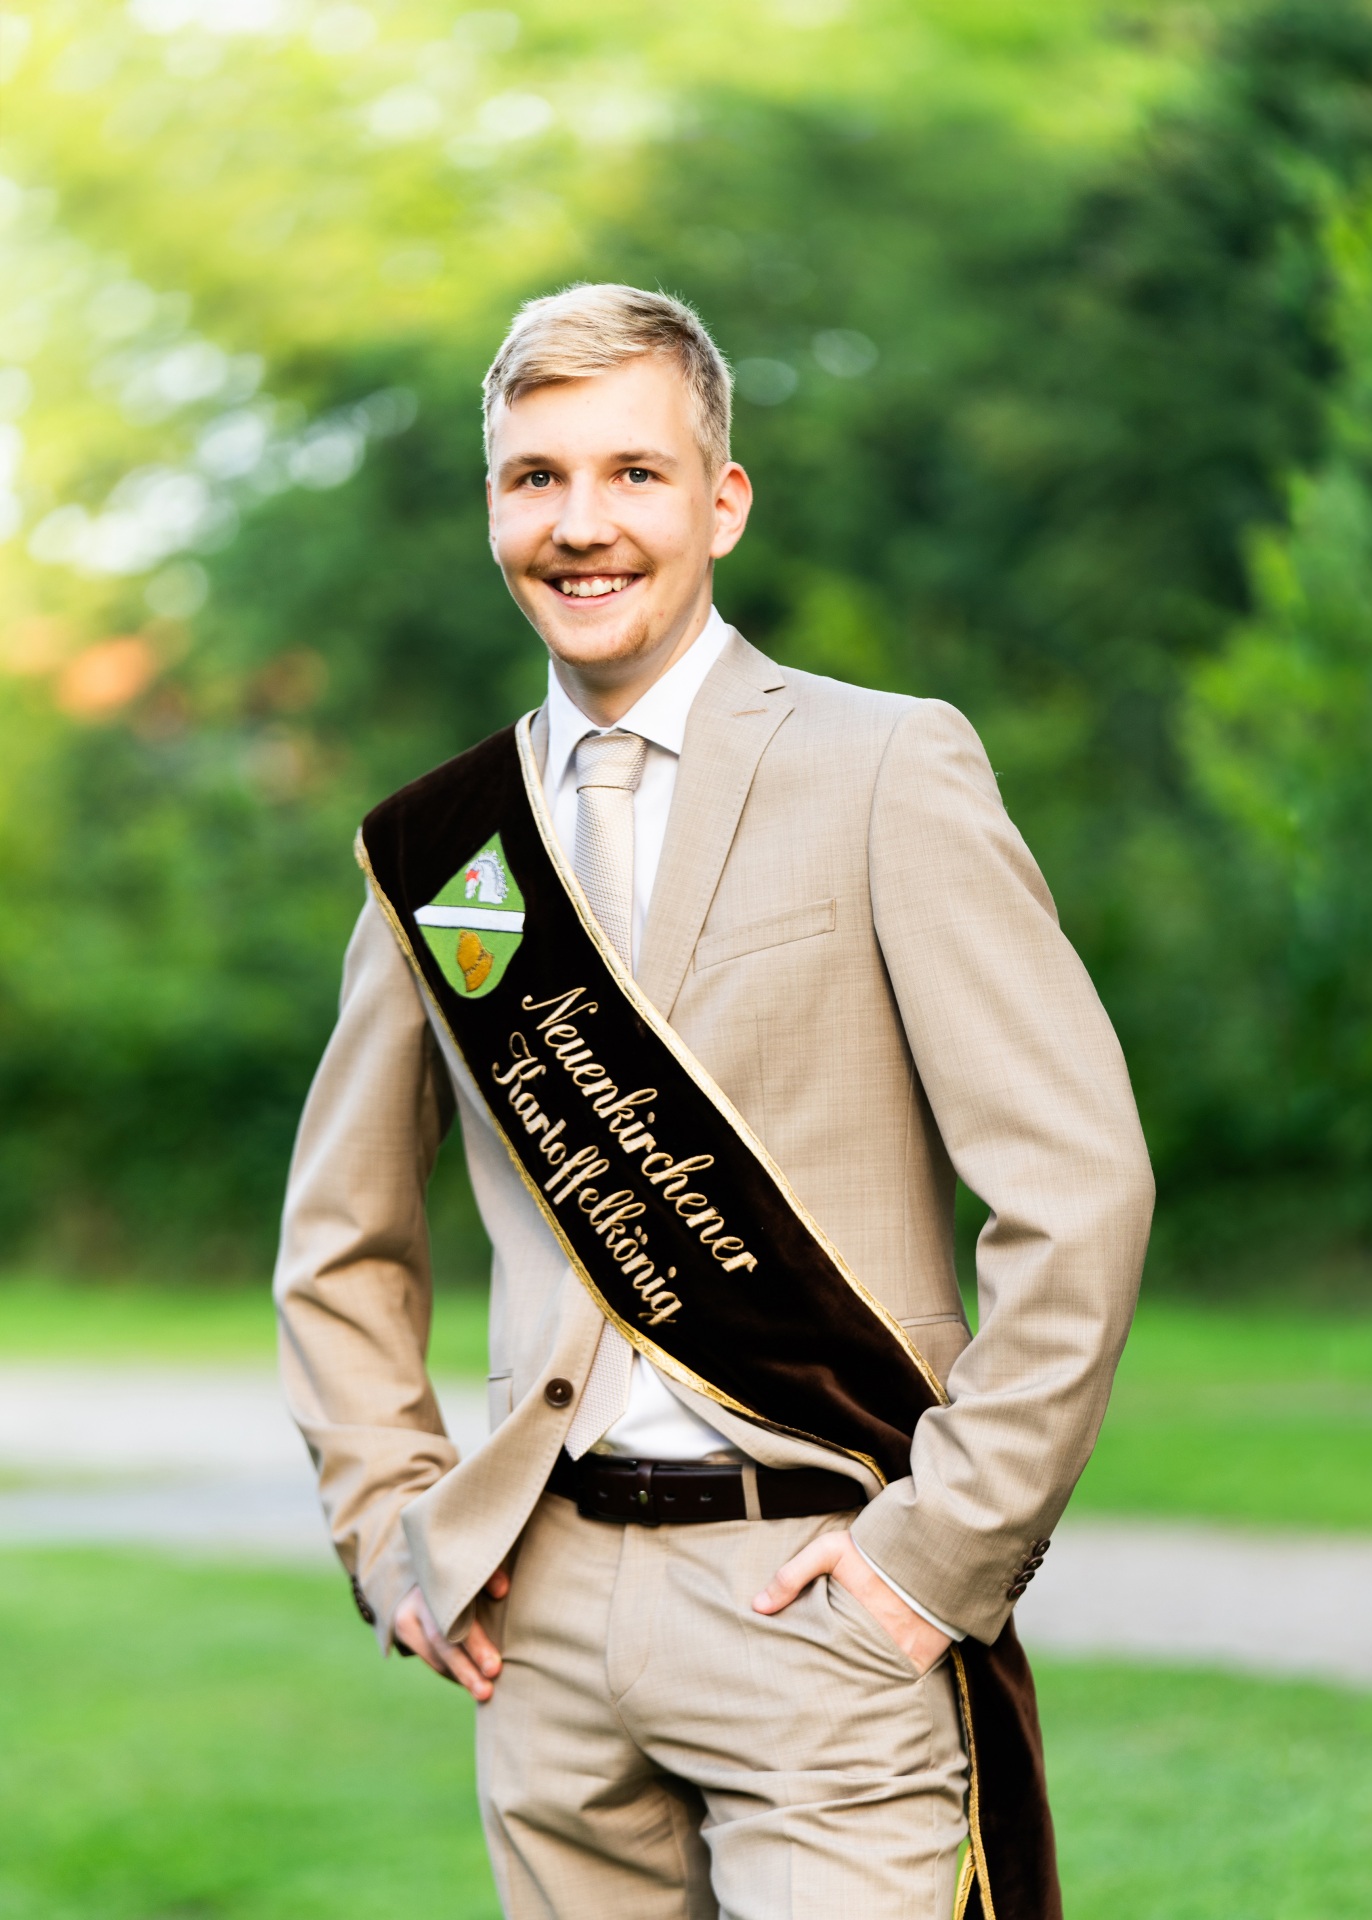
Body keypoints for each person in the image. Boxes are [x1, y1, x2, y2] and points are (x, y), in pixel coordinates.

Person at [275, 283, 1154, 1920]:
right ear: (492, 508)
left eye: (634, 474)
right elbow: (340, 1242)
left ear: (722, 501)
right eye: (535, 477)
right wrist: (397, 1529)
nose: (580, 525)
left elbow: (1081, 1186)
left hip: (815, 1591)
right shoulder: (441, 849)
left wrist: (935, 1557)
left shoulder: (888, 765)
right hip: (540, 1618)